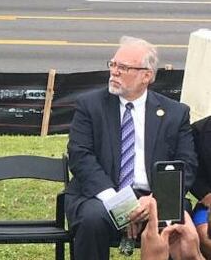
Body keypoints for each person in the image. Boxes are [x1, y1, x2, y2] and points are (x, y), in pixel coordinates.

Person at [66, 35, 197, 260]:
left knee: (177, 225)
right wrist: (121, 204)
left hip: (155, 196)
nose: (114, 72)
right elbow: (80, 156)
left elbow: (187, 165)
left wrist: (156, 200)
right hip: (102, 195)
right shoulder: (90, 106)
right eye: (113, 64)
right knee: (91, 219)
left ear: (146, 76)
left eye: (124, 67)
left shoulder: (175, 113)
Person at [189, 114, 211, 258]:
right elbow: (191, 170)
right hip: (209, 201)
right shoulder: (199, 131)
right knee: (206, 237)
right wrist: (205, 193)